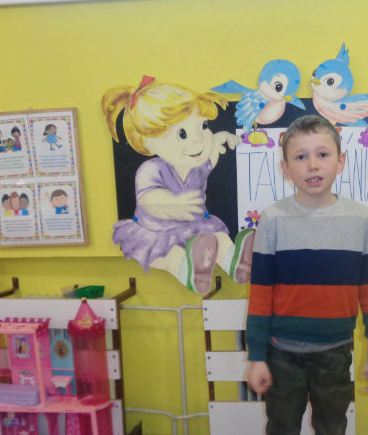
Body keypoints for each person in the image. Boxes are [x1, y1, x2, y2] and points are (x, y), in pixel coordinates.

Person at [246, 114, 368, 435]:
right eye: (301, 156)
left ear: (340, 162)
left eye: (323, 154)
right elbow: (261, 295)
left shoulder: (359, 219)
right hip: (282, 357)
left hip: (334, 357)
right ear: (285, 167)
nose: (313, 164)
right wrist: (256, 356)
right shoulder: (272, 220)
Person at [102, 76, 254, 294]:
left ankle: (235, 264)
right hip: (159, 232)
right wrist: (173, 203)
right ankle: (191, 273)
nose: (199, 139)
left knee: (219, 239)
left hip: (197, 228)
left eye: (203, 126)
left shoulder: (198, 165)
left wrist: (221, 137)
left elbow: (211, 152)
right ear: (150, 142)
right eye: (182, 134)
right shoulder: (151, 169)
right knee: (171, 255)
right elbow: (148, 200)